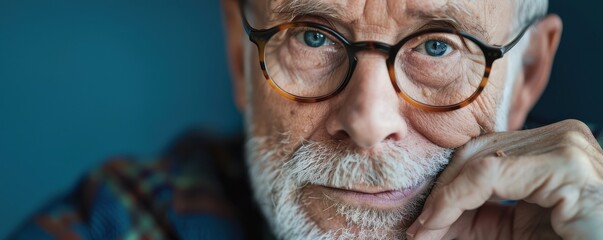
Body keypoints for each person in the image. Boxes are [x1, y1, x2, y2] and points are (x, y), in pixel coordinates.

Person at [9, 0, 603, 239]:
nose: (368, 120)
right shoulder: (123, 223)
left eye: (438, 46)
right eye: (314, 36)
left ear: (527, 76)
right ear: (242, 55)